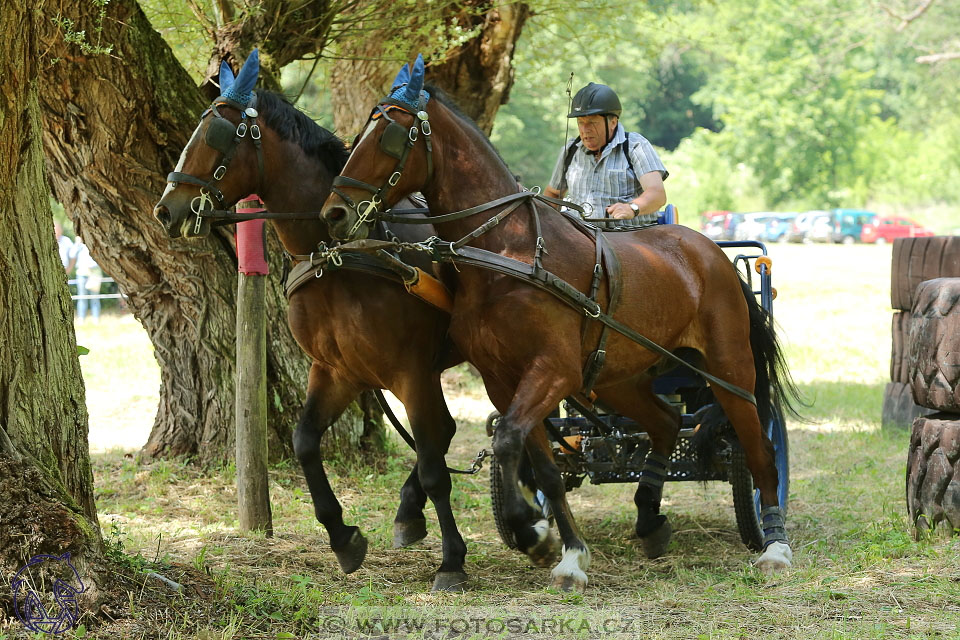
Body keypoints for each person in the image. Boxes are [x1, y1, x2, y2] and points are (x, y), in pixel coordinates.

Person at [544, 82, 668, 223]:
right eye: (580, 122)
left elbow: (657, 194)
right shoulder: (570, 151)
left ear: (613, 122)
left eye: (592, 122)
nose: (585, 129)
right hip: (580, 238)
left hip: (629, 236)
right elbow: (553, 194)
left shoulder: (635, 146)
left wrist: (632, 208)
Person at [72, 238, 103, 322]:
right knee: (82, 296)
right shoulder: (79, 245)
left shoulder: (93, 241)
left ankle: (96, 318)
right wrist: (77, 244)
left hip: (94, 272)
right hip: (82, 272)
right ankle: (81, 318)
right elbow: (72, 255)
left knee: (95, 297)